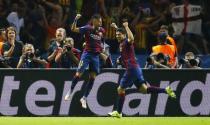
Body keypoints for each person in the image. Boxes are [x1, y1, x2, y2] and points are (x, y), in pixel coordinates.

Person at [108, 21, 176, 118]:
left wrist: (127, 26)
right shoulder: (122, 41)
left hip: (131, 68)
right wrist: (116, 27)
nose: (117, 36)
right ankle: (165, 90)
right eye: (116, 35)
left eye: (119, 35)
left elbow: (131, 38)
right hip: (136, 69)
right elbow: (121, 33)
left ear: (124, 35)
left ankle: (118, 112)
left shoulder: (127, 42)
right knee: (144, 89)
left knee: (120, 89)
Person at [64, 14, 105, 109]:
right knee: (79, 74)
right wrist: (75, 19)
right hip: (87, 54)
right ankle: (70, 92)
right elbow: (73, 29)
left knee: (93, 78)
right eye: (99, 21)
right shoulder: (87, 28)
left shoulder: (102, 31)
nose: (101, 22)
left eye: (101, 21)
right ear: (94, 20)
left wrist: (101, 49)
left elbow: (101, 42)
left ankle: (84, 98)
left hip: (96, 56)